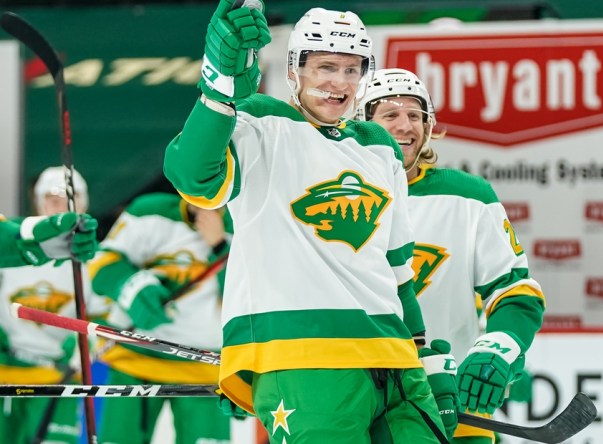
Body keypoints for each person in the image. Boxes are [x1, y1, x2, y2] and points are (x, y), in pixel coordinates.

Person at [163, 2, 451, 443]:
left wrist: (424, 356)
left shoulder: (378, 146)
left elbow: (397, 271)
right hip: (304, 359)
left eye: (352, 70)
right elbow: (193, 177)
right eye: (326, 67)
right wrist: (219, 91)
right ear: (295, 70)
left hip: (394, 360)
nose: (339, 83)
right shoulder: (259, 122)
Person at [358, 68, 546, 443]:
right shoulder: (334, 194)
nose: (405, 125)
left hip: (450, 400)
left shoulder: (469, 197)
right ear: (361, 123)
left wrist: (499, 347)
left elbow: (515, 292)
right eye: (389, 115)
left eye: (415, 115)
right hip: (355, 399)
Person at [88, 192, 232, 444]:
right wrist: (133, 287)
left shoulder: (247, 220)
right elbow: (102, 263)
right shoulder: (149, 210)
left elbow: (252, 296)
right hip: (136, 358)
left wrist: (220, 246)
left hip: (206, 368)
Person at [0, 166, 105, 444]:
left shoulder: (90, 257)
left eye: (69, 200)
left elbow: (106, 316)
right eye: (52, 199)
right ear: (38, 201)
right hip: (6, 371)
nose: (59, 207)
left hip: (56, 377)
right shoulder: (14, 247)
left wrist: (85, 346)